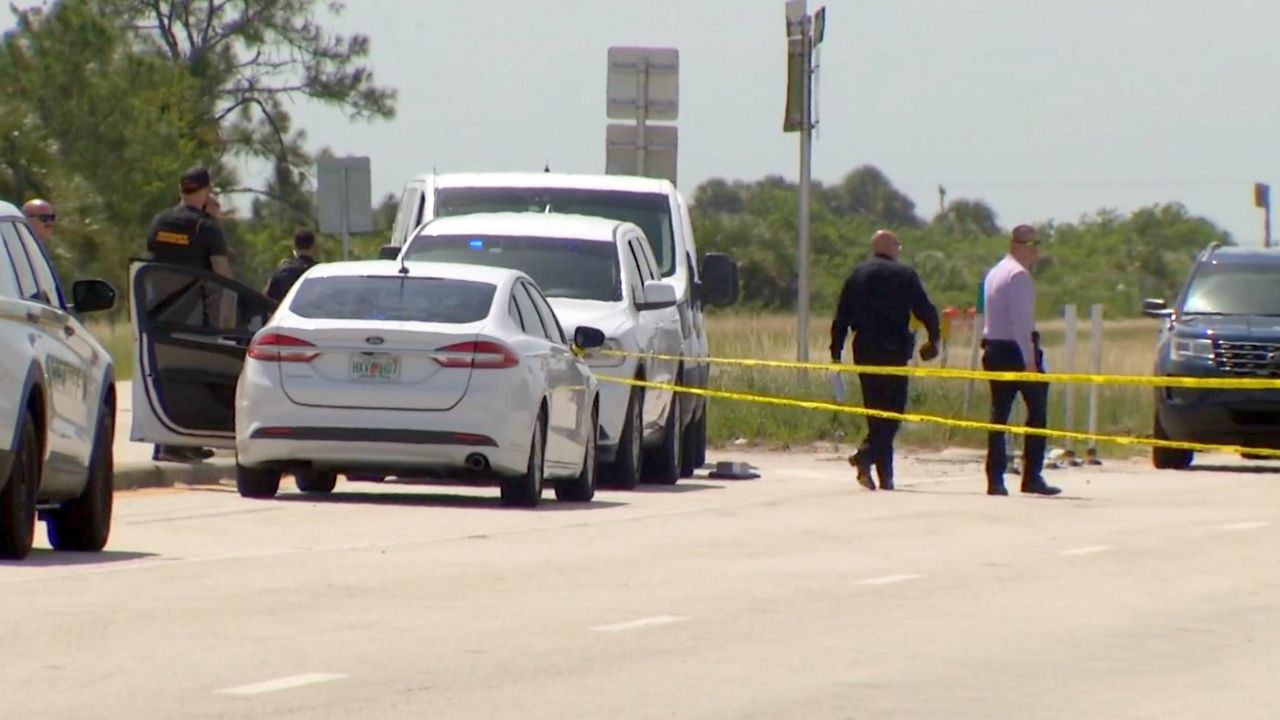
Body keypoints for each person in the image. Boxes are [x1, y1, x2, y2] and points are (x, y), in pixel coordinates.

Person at [830, 229, 941, 491]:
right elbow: (926, 309)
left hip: (865, 350)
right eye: (898, 245)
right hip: (893, 351)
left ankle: (884, 475)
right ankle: (867, 457)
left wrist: (836, 351)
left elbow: (841, 316)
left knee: (875, 412)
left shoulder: (857, 276)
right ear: (891, 247)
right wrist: (933, 339)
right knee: (893, 413)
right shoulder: (905, 275)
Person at [144, 166, 232, 464]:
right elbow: (222, 275)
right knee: (191, 380)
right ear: (206, 191)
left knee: (162, 376)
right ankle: (181, 442)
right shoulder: (206, 226)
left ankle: (168, 442)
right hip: (195, 315)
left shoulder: (160, 220)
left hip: (159, 312)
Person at [981, 224, 1061, 497]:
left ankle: (994, 477)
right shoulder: (1018, 275)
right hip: (1015, 351)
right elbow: (1021, 323)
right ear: (1017, 246)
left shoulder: (995, 272)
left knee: (998, 415)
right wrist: (1029, 361)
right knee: (1036, 414)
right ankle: (1031, 476)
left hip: (994, 348)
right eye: (1031, 244)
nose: (1036, 249)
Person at [264, 228, 318, 302]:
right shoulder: (320, 271)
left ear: (294, 247)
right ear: (313, 247)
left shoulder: (282, 272)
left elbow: (267, 299)